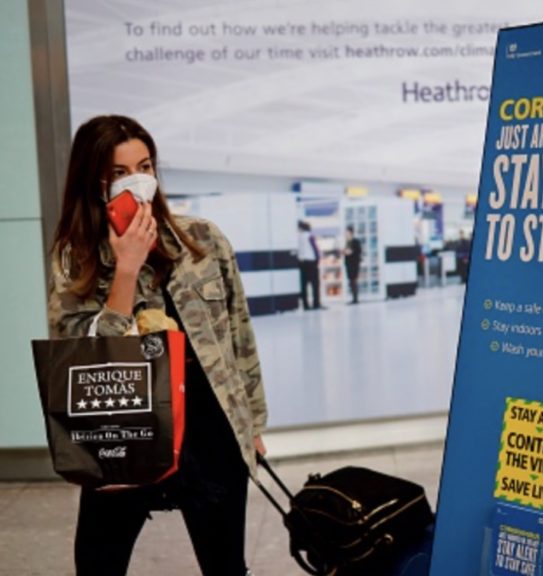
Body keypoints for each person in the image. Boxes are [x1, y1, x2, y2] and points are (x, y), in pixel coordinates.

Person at [47, 115, 267, 576]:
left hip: (211, 434)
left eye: (144, 166)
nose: (137, 182)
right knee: (98, 564)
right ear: (94, 182)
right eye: (119, 173)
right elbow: (82, 360)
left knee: (226, 567)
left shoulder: (203, 239)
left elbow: (238, 335)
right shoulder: (77, 258)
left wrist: (254, 424)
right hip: (126, 436)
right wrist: (125, 269)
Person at [297, 220, 323, 310]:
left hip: (301, 263)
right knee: (315, 284)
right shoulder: (309, 236)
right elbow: (315, 249)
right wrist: (318, 259)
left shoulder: (297, 237)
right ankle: (316, 304)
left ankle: (306, 305)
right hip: (311, 263)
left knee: (303, 284)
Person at [343, 225, 362, 304]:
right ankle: (354, 298)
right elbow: (346, 251)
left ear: (350, 232)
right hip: (349, 263)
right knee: (351, 281)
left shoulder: (355, 241)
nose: (345, 233)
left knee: (353, 280)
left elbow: (357, 251)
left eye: (346, 232)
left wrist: (349, 252)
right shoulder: (347, 242)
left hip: (354, 264)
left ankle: (355, 299)